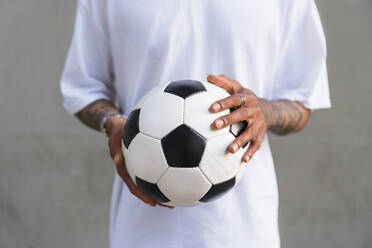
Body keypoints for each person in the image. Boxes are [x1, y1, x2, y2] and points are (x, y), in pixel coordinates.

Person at [60, 0, 331, 247]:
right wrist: (113, 123)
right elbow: (84, 89)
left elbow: (301, 100)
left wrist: (265, 112)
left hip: (243, 229)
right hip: (141, 229)